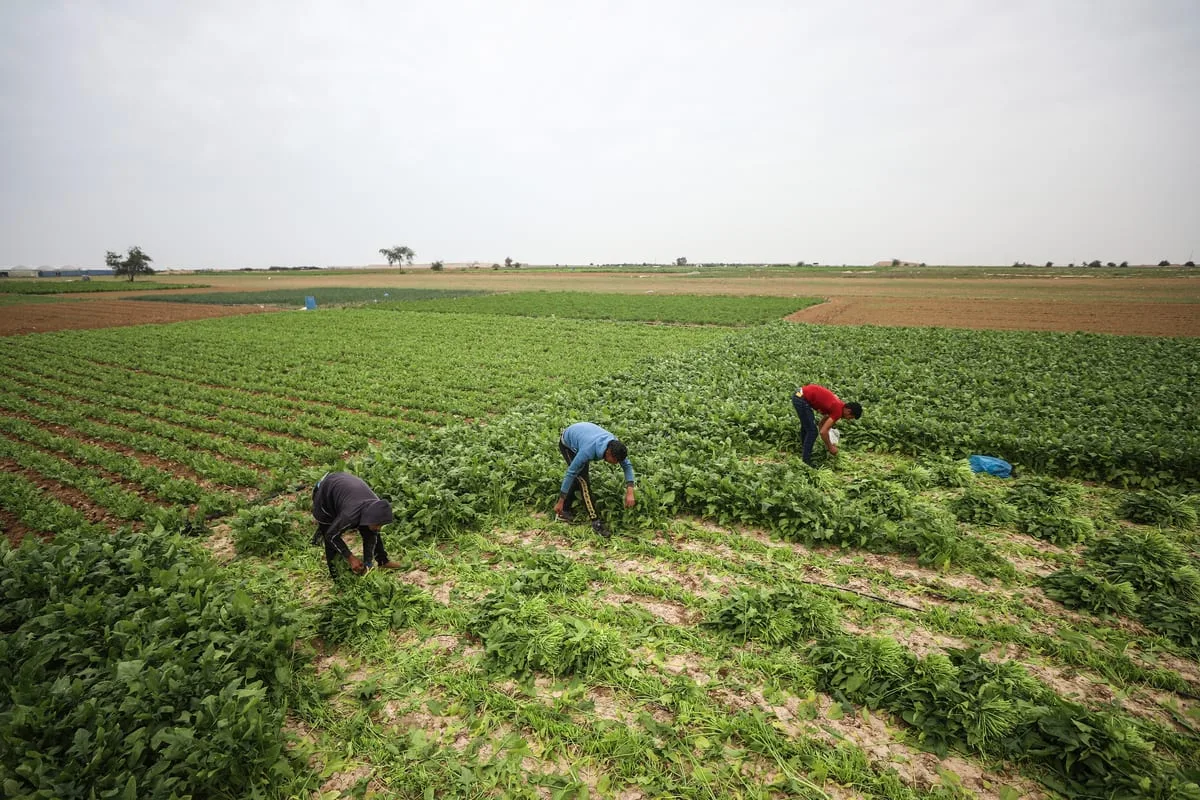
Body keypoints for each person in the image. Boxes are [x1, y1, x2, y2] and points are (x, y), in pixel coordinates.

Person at [310, 471, 403, 578]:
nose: (379, 528)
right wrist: (351, 558)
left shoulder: (376, 507)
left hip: (348, 490)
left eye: (381, 525)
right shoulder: (350, 516)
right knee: (329, 535)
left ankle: (383, 562)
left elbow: (370, 537)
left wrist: (368, 563)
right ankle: (337, 577)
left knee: (372, 530)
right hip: (325, 493)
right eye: (378, 524)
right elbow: (331, 536)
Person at [553, 422, 635, 537]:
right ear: (608, 453)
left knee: (579, 477)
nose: (617, 463)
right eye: (615, 460)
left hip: (585, 435)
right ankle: (595, 522)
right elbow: (570, 473)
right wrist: (560, 501)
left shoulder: (615, 445)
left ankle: (565, 509)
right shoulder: (587, 451)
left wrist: (630, 492)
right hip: (568, 443)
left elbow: (627, 466)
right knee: (583, 482)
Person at [791, 384, 862, 466]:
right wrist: (830, 447)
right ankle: (806, 462)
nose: (848, 419)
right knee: (812, 431)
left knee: (807, 427)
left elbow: (821, 424)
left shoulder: (839, 406)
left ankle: (804, 452)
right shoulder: (838, 411)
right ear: (848, 411)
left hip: (799, 394)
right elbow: (823, 432)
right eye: (850, 417)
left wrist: (827, 441)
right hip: (801, 397)